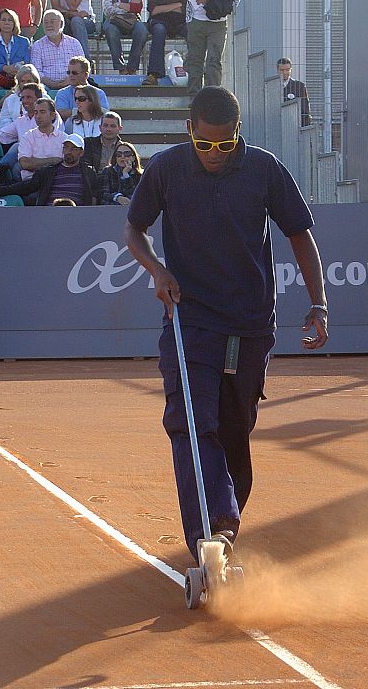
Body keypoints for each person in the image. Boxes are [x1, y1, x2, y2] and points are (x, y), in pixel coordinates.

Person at [124, 86, 328, 561]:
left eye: (225, 144)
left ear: (238, 133)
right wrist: (157, 270)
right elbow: (135, 229)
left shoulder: (263, 169)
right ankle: (208, 531)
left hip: (251, 322)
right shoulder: (166, 168)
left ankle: (225, 527)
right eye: (204, 144)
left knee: (235, 430)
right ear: (189, 130)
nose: (214, 154)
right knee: (193, 424)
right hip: (190, 319)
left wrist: (319, 304)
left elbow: (300, 235)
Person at [186, 0, 245, 97]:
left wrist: (208, 0)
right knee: (195, 60)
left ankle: (211, 96)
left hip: (218, 24)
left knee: (214, 60)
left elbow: (231, 3)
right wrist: (213, 0)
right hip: (196, 20)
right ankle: (194, 96)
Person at [0, 133, 97, 206]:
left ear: (81, 153)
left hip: (77, 217)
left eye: (73, 149)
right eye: (66, 147)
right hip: (49, 215)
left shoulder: (88, 172)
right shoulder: (48, 172)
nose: (68, 151)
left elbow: (95, 196)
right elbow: (26, 187)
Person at [0, 82, 44, 182]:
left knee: (17, 147)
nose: (25, 101)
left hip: (44, 156)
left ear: (38, 99)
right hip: (25, 159)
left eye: (29, 97)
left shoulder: (50, 117)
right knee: (16, 166)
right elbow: (3, 133)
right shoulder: (21, 121)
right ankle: (0, 176)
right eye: (22, 98)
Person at [143, 0, 191, 87]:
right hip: (160, 21)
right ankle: (154, 75)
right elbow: (153, 9)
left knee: (193, 33)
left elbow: (185, 7)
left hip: (180, 21)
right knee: (158, 32)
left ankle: (194, 72)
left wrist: (163, 7)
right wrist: (176, 5)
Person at [102, 0, 147, 75]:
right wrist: (129, 6)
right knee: (111, 31)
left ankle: (132, 67)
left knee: (142, 31)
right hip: (114, 21)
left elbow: (138, 8)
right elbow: (108, 11)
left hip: (131, 20)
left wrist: (118, 4)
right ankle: (121, 68)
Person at [31, 10, 84, 90]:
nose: (48, 25)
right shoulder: (37, 45)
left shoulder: (74, 43)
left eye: (52, 22)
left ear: (61, 24)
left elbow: (82, 67)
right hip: (46, 86)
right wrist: (52, 84)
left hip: (72, 83)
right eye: (46, 22)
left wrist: (70, 80)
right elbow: (36, 71)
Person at [17, 97, 67, 179]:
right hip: (32, 182)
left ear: (53, 115)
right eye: (36, 112)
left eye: (42, 112)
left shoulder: (64, 138)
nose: (38, 116)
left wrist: (36, 162)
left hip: (56, 181)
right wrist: (54, 161)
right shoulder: (28, 137)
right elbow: (25, 164)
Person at [0, 8, 31, 87]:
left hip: (19, 80)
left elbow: (27, 64)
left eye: (10, 20)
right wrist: (4, 68)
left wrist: (16, 69)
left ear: (14, 23)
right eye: (3, 20)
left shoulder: (24, 42)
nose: (7, 22)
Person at [54, 56, 109, 122]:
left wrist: (73, 112)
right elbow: (60, 113)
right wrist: (86, 110)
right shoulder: (62, 93)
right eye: (68, 72)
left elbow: (105, 113)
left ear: (86, 75)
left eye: (74, 73)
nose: (71, 75)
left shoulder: (99, 93)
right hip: (69, 131)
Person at [0, 63, 45, 127]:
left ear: (35, 82)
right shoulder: (10, 100)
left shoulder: (44, 99)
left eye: (29, 81)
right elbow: (3, 120)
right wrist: (17, 130)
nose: (25, 84)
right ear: (18, 82)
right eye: (22, 81)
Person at [277, 57, 312, 127]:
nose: (285, 72)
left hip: (295, 127)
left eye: (287, 70)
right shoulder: (271, 86)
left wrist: (305, 129)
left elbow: (305, 111)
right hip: (276, 126)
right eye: (282, 70)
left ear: (291, 70)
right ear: (277, 70)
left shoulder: (299, 86)